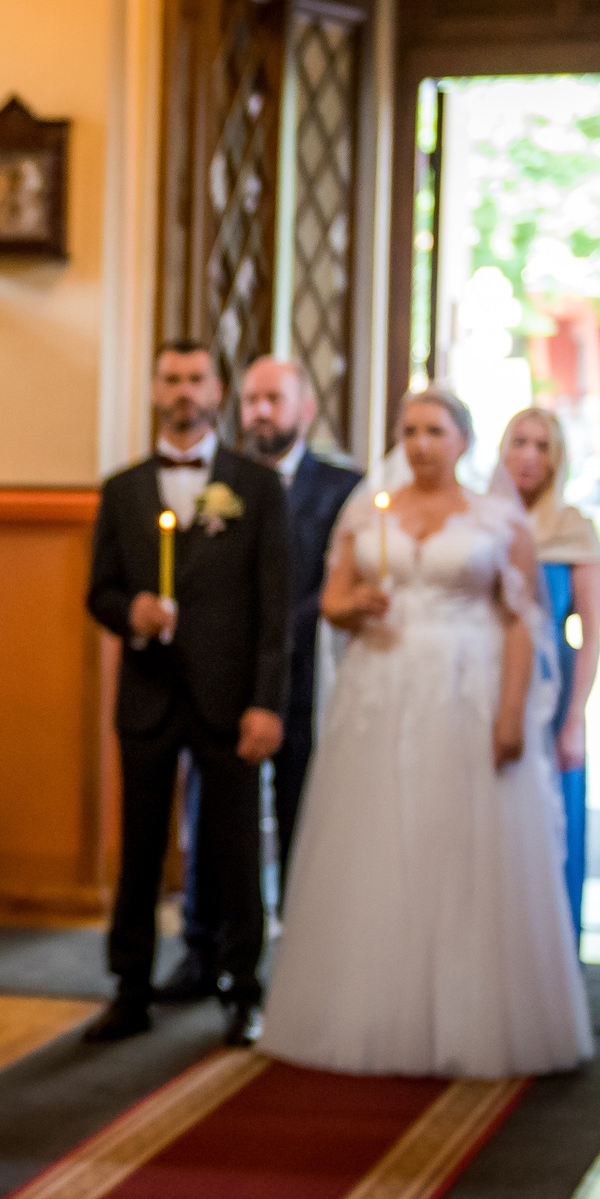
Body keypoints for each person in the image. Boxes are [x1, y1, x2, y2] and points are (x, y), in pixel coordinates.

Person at [260, 390, 592, 1078]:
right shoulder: (366, 510)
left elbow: (522, 624)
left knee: (457, 838)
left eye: (434, 430)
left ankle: (469, 1012)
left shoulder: (499, 520)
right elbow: (331, 602)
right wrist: (356, 605)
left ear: (463, 441)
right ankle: (373, 1007)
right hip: (382, 687)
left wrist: (511, 713)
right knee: (381, 840)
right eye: (408, 430)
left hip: (465, 691)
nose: (419, 443)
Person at [85, 341, 290, 1048]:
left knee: (236, 849)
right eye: (170, 379)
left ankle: (243, 988)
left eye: (196, 379)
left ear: (218, 389)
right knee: (139, 850)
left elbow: (275, 612)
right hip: (147, 694)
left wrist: (267, 701)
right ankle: (130, 989)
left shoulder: (257, 488)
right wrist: (131, 613)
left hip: (230, 699)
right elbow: (99, 592)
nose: (183, 391)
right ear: (152, 390)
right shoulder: (122, 489)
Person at [168, 357, 365, 999]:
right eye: (251, 398)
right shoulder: (217, 481)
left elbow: (345, 580)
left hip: (311, 675)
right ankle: (204, 950)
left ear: (305, 408)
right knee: (214, 816)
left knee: (301, 813)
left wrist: (282, 623)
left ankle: (306, 960)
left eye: (274, 398)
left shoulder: (344, 489)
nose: (260, 411)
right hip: (226, 679)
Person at [492, 406, 600, 945]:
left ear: (556, 459)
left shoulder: (574, 529)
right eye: (520, 442)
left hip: (551, 692)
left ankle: (553, 952)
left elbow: (589, 635)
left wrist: (575, 719)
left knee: (551, 821)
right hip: (486, 687)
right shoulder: (482, 521)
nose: (529, 456)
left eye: (542, 446)